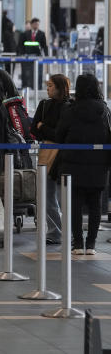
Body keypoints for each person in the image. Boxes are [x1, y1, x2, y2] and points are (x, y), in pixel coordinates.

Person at [54, 73, 111, 255]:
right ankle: (92, 245)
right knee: (95, 205)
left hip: (72, 164)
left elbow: (59, 136)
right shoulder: (104, 110)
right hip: (99, 164)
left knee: (74, 205)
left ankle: (78, 243)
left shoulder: (70, 111)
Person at [30, 73, 70, 244]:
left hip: (64, 154)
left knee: (64, 196)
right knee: (46, 194)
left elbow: (60, 135)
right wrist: (46, 130)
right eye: (47, 85)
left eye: (51, 85)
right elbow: (34, 129)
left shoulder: (69, 107)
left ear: (60, 87)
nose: (47, 89)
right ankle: (55, 232)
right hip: (47, 152)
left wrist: (43, 127)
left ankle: (65, 231)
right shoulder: (44, 104)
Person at [19, 17, 48, 89]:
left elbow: (44, 45)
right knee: (27, 73)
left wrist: (46, 56)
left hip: (38, 56)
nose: (36, 26)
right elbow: (20, 45)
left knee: (38, 73)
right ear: (31, 25)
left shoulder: (41, 34)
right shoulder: (25, 34)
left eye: (38, 24)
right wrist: (21, 54)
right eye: (35, 24)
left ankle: (38, 87)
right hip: (27, 57)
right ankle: (26, 86)